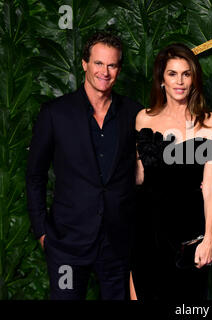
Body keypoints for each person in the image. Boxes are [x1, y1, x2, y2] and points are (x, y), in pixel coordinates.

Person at [26, 32, 142, 299]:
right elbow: (35, 176)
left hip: (117, 244)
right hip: (67, 243)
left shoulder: (133, 113)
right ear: (84, 64)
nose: (105, 71)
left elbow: (148, 167)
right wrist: (42, 232)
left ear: (119, 69)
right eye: (98, 63)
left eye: (111, 65)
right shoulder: (56, 113)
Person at [130, 43, 212, 300]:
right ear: (161, 80)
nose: (179, 81)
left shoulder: (211, 122)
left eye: (186, 74)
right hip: (147, 229)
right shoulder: (143, 119)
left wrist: (210, 238)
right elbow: (138, 176)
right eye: (172, 74)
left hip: (189, 232)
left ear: (194, 79)